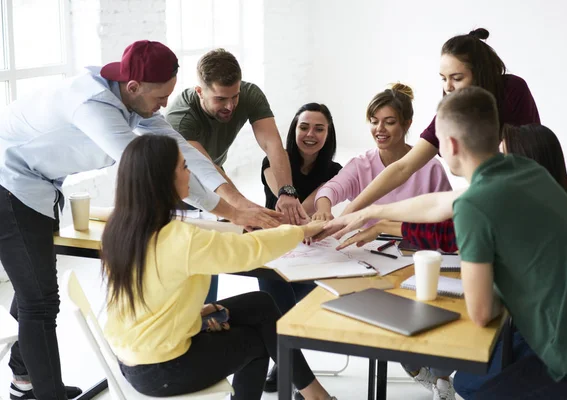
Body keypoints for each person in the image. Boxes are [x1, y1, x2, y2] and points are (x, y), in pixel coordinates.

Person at [0, 40, 279, 400]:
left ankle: (25, 375)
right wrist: (230, 213)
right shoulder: (93, 107)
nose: (165, 105)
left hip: (38, 184)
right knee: (39, 301)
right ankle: (42, 392)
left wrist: (240, 205)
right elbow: (159, 172)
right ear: (133, 87)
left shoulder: (130, 98)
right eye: (160, 98)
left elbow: (184, 152)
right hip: (10, 185)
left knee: (31, 286)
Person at [330, 87, 567, 399]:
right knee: (470, 384)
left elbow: (482, 312)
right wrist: (371, 212)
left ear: (451, 144)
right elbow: (440, 204)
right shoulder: (524, 170)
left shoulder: (477, 207)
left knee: (473, 390)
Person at [101, 134, 336, 400]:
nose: (191, 174)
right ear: (163, 179)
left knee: (260, 304)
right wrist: (302, 230)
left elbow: (150, 292)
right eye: (184, 167)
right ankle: (316, 396)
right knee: (259, 343)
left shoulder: (120, 228)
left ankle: (313, 393)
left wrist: (195, 315)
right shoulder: (180, 239)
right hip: (162, 369)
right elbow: (248, 252)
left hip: (134, 353)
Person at [335, 28, 540, 229]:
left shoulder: (513, 91)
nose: (448, 87)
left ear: (480, 74)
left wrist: (374, 217)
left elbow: (527, 161)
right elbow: (403, 168)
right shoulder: (451, 112)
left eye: (457, 78)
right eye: (443, 78)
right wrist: (353, 212)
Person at [165, 48, 306, 303]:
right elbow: (207, 170)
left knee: (213, 256)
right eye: (220, 99)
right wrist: (246, 210)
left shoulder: (249, 94)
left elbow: (272, 144)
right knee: (193, 268)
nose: (230, 105)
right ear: (200, 92)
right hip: (173, 187)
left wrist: (287, 191)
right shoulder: (181, 117)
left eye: (235, 96)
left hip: (213, 181)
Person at [348, 123, 567, 253]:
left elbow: (452, 225)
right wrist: (380, 222)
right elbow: (448, 224)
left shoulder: (520, 215)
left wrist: (376, 217)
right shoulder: (551, 209)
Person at [259, 103, 342, 393]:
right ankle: (291, 366)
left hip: (311, 252)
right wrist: (311, 215)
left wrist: (312, 216)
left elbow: (304, 214)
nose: (310, 134)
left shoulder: (334, 171)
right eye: (303, 126)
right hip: (274, 250)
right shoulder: (274, 162)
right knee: (275, 308)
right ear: (293, 129)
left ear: (328, 133)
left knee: (281, 310)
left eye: (319, 128)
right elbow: (290, 212)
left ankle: (286, 362)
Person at [312, 83, 452, 225]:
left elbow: (448, 218)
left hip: (418, 246)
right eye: (374, 121)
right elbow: (331, 189)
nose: (380, 129)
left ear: (407, 124)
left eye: (389, 122)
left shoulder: (431, 167)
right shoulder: (361, 165)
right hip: (367, 246)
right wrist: (323, 209)